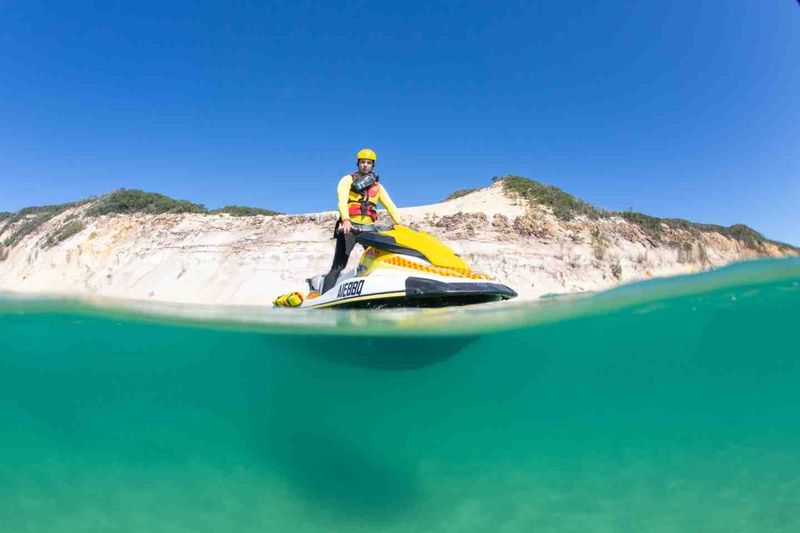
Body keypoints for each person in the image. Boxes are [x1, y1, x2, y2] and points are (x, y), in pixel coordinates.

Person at [320, 148, 403, 294]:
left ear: (373, 165)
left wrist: (400, 223)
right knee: (339, 266)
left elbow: (390, 205)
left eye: (369, 163)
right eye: (363, 162)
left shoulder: (378, 187)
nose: (365, 165)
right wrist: (346, 220)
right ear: (358, 163)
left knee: (376, 263)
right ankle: (323, 297)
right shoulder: (347, 180)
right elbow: (342, 201)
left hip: (368, 230)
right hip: (349, 228)